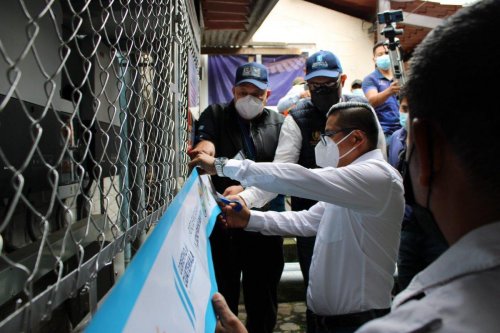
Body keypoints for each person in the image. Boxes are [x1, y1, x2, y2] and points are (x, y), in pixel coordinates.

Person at [192, 101, 405, 333]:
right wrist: (250, 219)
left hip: (360, 321)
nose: (323, 142)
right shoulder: (351, 186)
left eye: (329, 135)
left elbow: (299, 178)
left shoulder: (378, 177)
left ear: (356, 139)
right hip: (326, 320)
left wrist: (223, 166)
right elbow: (308, 221)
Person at [229, 50, 367, 333]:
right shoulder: (298, 119)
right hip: (312, 223)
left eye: (328, 84)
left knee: (358, 295)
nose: (321, 90)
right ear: (307, 86)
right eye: (315, 86)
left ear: (342, 79)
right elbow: (280, 176)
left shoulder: (362, 112)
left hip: (357, 219)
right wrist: (245, 197)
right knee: (318, 297)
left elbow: (375, 165)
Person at [189, 62, 285, 333]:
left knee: (263, 301)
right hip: (223, 227)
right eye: (243, 92)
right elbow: (206, 141)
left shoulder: (280, 125)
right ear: (233, 91)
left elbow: (283, 173)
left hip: (264, 227)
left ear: (268, 95)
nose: (249, 99)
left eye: (257, 94)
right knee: (223, 297)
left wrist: (247, 194)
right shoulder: (217, 114)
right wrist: (203, 151)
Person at [387, 92, 447, 291]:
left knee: (437, 286)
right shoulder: (395, 139)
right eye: (404, 109)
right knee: (408, 283)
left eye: (412, 109)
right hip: (406, 226)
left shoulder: (438, 140)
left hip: (434, 225)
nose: (408, 114)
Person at [362, 42, 401, 140]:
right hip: (385, 132)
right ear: (374, 59)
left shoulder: (399, 76)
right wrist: (389, 91)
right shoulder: (370, 79)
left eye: (387, 53)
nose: (384, 56)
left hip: (403, 128)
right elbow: (372, 101)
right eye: (380, 54)